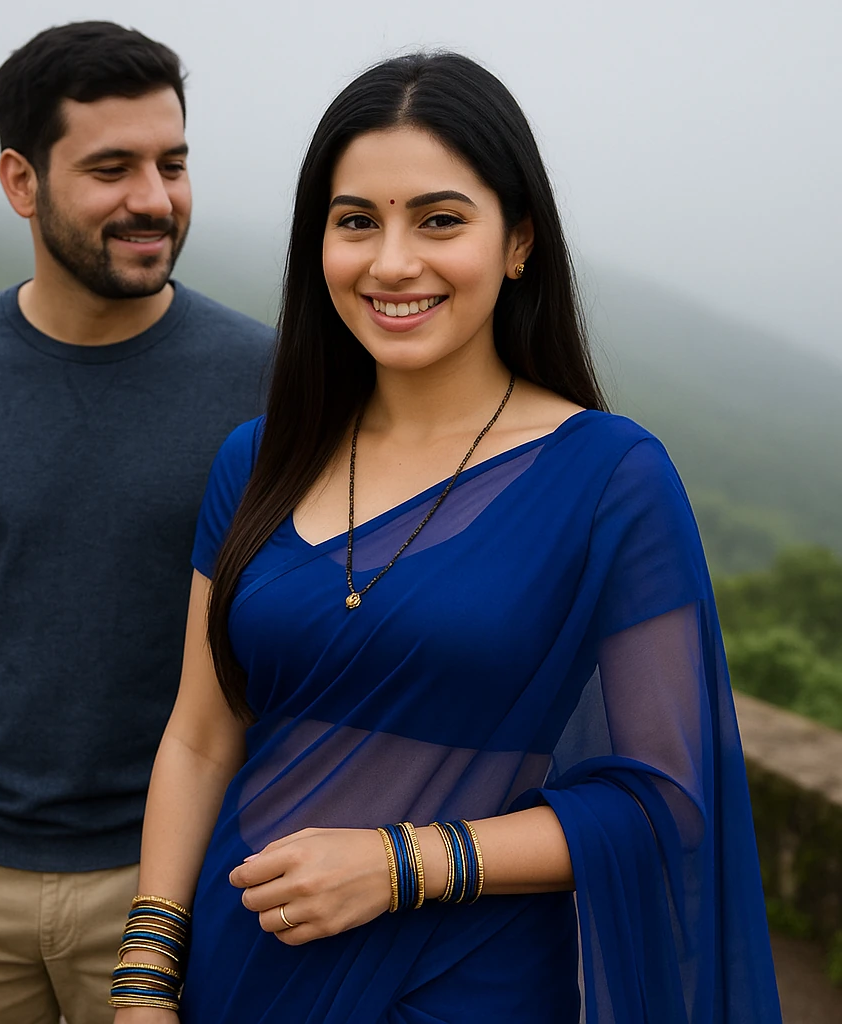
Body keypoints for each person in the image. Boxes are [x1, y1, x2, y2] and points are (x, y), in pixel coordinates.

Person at [110, 52, 783, 1024]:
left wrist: (404, 862)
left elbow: (666, 802)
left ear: (517, 243)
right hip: (238, 963)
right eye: (355, 223)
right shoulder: (256, 461)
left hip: (466, 982)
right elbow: (200, 737)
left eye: (437, 219)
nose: (391, 261)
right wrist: (143, 976)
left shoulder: (609, 479)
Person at [0, 20, 271, 1024]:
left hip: (175, 876)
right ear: (21, 182)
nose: (154, 199)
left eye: (173, 163)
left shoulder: (265, 380)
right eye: (111, 167)